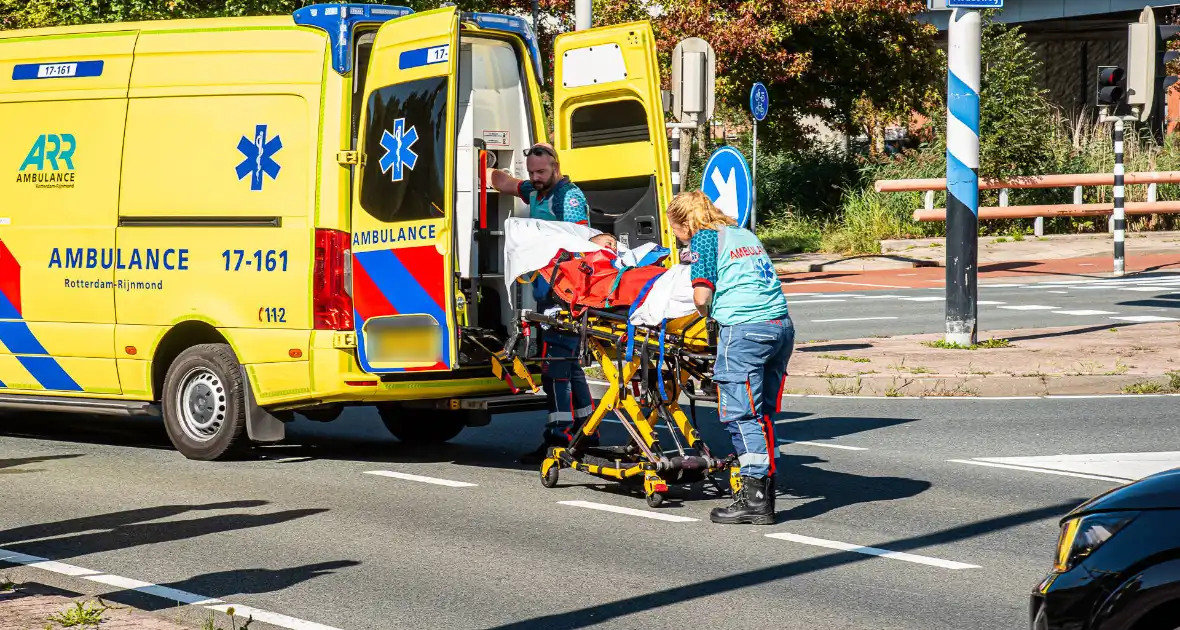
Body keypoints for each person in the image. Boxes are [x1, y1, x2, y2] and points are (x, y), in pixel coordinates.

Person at [665, 190, 794, 525]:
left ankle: (754, 500)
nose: (676, 237)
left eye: (675, 229)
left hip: (745, 331)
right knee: (762, 412)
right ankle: (766, 490)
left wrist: (704, 315)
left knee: (740, 413)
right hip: (780, 327)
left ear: (684, 223)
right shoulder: (742, 233)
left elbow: (702, 294)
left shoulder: (704, 239)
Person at [487, 142, 616, 465]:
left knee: (556, 366)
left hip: (566, 292)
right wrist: (476, 161)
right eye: (531, 172)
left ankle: (559, 439)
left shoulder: (567, 198)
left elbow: (579, 238)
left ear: (555, 166)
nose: (536, 177)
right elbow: (502, 182)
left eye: (541, 171)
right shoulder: (535, 190)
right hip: (548, 292)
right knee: (568, 364)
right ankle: (587, 431)